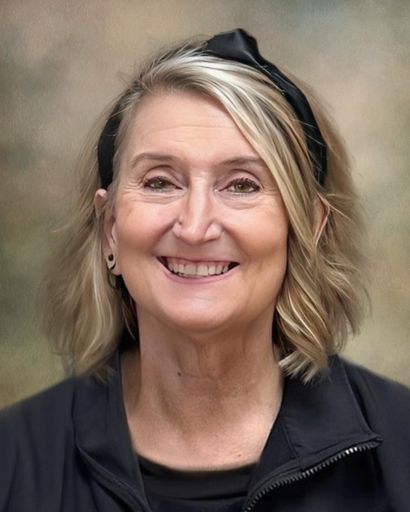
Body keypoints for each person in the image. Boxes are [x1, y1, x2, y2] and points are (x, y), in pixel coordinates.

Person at [0, 28, 409, 512]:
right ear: (109, 228)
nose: (194, 227)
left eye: (242, 185)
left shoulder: (401, 453)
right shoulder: (13, 461)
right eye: (160, 182)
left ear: (308, 229)